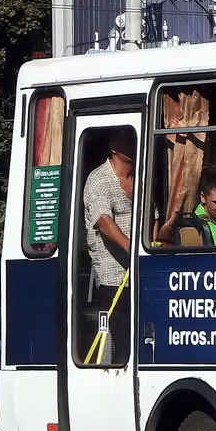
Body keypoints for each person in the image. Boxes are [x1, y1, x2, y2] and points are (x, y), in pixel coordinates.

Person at [83, 131, 134, 363]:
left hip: (139, 271)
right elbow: (103, 221)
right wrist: (132, 248)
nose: (133, 144)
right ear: (114, 147)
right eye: (127, 140)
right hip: (113, 275)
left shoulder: (140, 174)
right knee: (116, 335)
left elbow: (151, 215)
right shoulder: (98, 179)